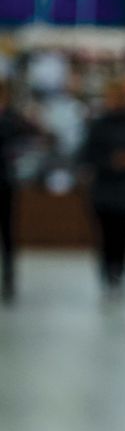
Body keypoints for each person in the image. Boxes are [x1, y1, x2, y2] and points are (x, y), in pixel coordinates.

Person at [81, 75, 125, 299]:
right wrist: (111, 161)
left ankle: (121, 273)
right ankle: (107, 275)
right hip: (103, 191)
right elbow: (87, 156)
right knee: (106, 236)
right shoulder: (98, 125)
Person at [0, 79, 40, 304]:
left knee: (7, 233)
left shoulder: (12, 118)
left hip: (4, 183)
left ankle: (9, 278)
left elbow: (32, 135)